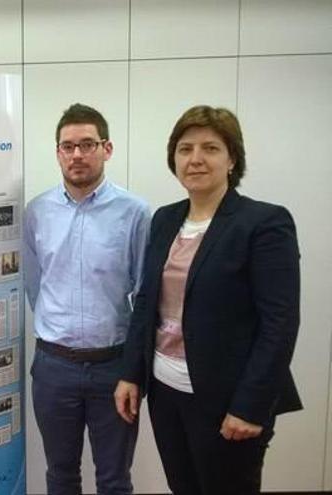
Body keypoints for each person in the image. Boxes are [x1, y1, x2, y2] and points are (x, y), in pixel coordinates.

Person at [114, 105, 301, 494]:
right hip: (165, 392)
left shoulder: (263, 223)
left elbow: (279, 325)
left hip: (227, 399)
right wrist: (131, 372)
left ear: (232, 159)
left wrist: (250, 406)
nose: (195, 159)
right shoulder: (165, 219)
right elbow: (146, 301)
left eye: (210, 148)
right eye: (185, 149)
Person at [23, 103, 151, 494]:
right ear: (58, 153)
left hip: (114, 369)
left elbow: (145, 293)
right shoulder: (37, 212)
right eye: (68, 146)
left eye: (87, 144)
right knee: (60, 475)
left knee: (114, 479)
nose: (77, 154)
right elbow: (34, 284)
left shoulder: (135, 212)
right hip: (53, 367)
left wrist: (133, 371)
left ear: (106, 149)